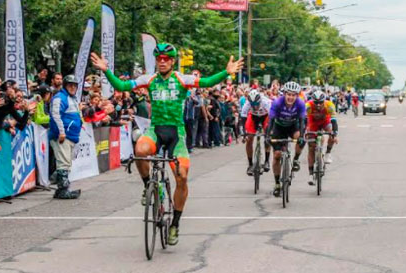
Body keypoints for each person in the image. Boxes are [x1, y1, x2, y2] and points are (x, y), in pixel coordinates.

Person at [90, 43, 243, 246]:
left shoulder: (181, 78)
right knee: (140, 150)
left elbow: (206, 82)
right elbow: (121, 86)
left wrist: (226, 72)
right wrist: (106, 70)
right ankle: (148, 186)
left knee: (182, 177)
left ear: (172, 61)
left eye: (166, 59)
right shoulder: (149, 79)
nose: (162, 62)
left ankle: (175, 224)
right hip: (156, 130)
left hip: (176, 134)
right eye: (159, 59)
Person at [266, 81, 306, 197]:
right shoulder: (277, 102)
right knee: (277, 155)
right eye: (289, 94)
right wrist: (268, 136)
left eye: (293, 95)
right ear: (284, 94)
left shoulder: (300, 103)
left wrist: (302, 137)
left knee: (300, 138)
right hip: (278, 127)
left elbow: (302, 121)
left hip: (292, 126)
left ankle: (296, 159)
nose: (291, 97)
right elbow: (271, 121)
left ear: (297, 96)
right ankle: (277, 183)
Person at [49, 75, 83, 199]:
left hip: (71, 136)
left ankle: (59, 186)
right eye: (70, 85)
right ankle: (63, 190)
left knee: (66, 163)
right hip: (62, 136)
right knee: (63, 163)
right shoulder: (60, 98)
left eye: (75, 85)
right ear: (65, 86)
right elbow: (55, 115)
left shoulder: (72, 98)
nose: (73, 87)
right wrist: (61, 132)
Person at [305, 90, 338, 185]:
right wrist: (304, 132)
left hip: (325, 122)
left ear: (324, 101)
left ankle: (327, 153)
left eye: (320, 102)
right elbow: (304, 121)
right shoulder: (308, 106)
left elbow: (334, 121)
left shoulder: (329, 105)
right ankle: (311, 174)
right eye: (316, 102)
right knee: (311, 147)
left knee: (332, 134)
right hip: (313, 123)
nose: (318, 105)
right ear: (312, 101)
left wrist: (334, 134)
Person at [241, 89, 272, 175]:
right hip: (253, 117)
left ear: (260, 101)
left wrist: (269, 132)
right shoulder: (247, 103)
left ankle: (266, 161)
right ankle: (250, 164)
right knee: (249, 139)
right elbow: (243, 117)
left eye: (257, 104)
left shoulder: (266, 102)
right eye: (253, 105)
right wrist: (244, 133)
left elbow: (272, 118)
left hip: (265, 116)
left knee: (267, 137)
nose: (255, 107)